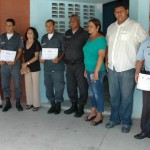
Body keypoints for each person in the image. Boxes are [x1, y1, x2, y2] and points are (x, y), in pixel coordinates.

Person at [105, 2, 147, 133]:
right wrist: (106, 60)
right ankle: (114, 119)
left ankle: (126, 122)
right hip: (112, 69)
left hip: (128, 68)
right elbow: (108, 45)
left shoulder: (135, 26)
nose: (118, 14)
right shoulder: (111, 27)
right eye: (116, 12)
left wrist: (141, 64)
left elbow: (145, 44)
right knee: (114, 96)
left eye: (121, 11)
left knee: (127, 97)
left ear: (127, 11)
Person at [64, 14, 89, 117]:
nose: (71, 23)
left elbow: (88, 50)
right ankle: (73, 105)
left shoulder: (84, 34)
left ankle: (81, 107)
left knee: (82, 86)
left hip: (80, 64)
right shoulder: (67, 33)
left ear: (78, 21)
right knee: (71, 86)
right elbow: (65, 47)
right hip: (69, 64)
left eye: (74, 21)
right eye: (70, 21)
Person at [83, 18, 106, 125]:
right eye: (88, 26)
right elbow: (87, 55)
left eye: (91, 26)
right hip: (89, 70)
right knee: (92, 93)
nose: (89, 28)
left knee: (98, 93)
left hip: (97, 71)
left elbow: (101, 56)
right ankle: (93, 112)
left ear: (97, 27)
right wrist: (85, 70)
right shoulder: (90, 38)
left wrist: (96, 71)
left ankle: (99, 115)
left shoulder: (101, 39)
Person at [41, 19, 65, 114]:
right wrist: (42, 58)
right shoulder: (43, 38)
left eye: (50, 26)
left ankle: (58, 104)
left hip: (57, 66)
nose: (48, 28)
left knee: (59, 86)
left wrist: (59, 58)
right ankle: (52, 104)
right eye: (46, 26)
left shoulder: (60, 36)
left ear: (54, 26)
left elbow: (63, 51)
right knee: (48, 86)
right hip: (47, 67)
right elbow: (44, 51)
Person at [0, 18, 24, 112]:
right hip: (4, 65)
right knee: (5, 83)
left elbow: (20, 50)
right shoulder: (2, 36)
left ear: (14, 26)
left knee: (17, 83)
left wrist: (15, 60)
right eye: (6, 25)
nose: (8, 27)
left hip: (15, 64)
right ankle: (8, 102)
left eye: (10, 25)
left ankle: (18, 102)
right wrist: (1, 59)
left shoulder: (18, 36)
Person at [134, 35, 150, 139]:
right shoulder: (146, 42)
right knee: (147, 106)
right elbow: (140, 60)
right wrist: (137, 73)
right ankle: (145, 130)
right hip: (148, 77)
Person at [22, 27, 41, 111]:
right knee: (28, 85)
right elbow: (23, 55)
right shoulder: (24, 42)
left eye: (31, 33)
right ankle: (29, 103)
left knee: (35, 86)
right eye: (28, 33)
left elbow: (36, 57)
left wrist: (27, 63)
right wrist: (23, 64)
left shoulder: (36, 43)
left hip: (35, 67)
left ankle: (36, 104)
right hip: (26, 67)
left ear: (34, 34)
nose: (29, 34)